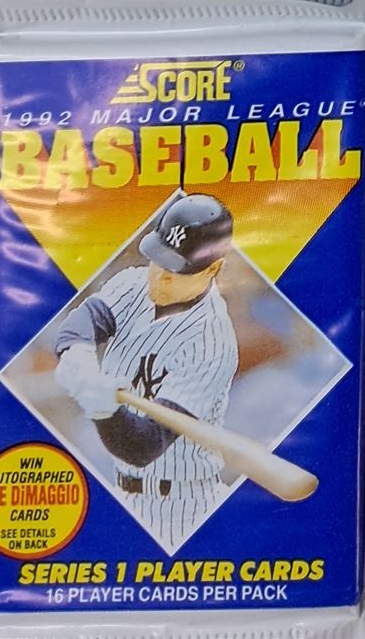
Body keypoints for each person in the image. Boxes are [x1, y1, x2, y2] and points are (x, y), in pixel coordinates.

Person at [51, 194, 240, 551]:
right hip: (120, 493)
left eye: (177, 268)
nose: (160, 275)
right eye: (158, 259)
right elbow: (83, 323)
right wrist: (77, 354)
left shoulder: (212, 342)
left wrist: (105, 411)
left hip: (183, 507)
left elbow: (144, 447)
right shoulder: (133, 283)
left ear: (212, 268)